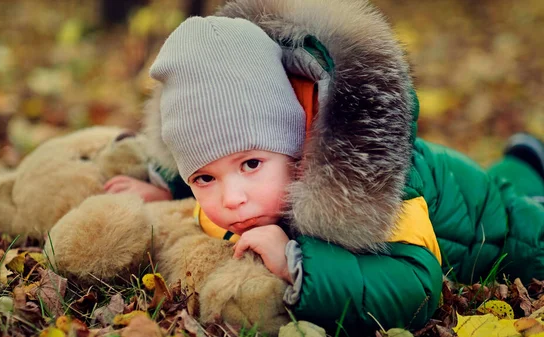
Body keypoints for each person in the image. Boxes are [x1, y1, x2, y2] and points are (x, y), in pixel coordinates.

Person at [105, 1, 544, 335]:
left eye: (251, 164)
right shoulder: (245, 188)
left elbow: (417, 285)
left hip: (483, 214)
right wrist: (166, 188)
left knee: (522, 221)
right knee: (509, 179)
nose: (232, 198)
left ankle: (525, 174)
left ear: (297, 144)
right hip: (470, 183)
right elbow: (218, 170)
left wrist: (299, 265)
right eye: (204, 178)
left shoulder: (365, 186)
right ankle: (524, 161)